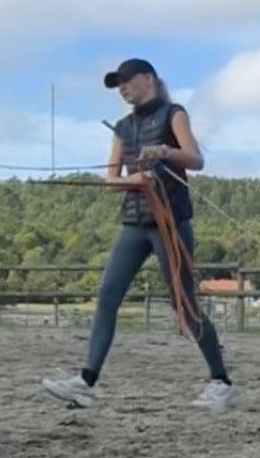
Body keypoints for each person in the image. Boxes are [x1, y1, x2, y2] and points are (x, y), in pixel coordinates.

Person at [43, 57, 241, 412]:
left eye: (126, 81)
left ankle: (221, 382)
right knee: (107, 295)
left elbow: (195, 159)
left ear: (147, 78)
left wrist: (165, 152)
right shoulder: (122, 128)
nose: (122, 88)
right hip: (135, 224)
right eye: (118, 84)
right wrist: (135, 180)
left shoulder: (173, 114)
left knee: (185, 305)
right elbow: (110, 180)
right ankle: (85, 381)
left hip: (169, 223)